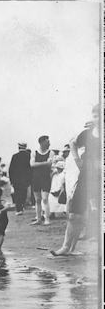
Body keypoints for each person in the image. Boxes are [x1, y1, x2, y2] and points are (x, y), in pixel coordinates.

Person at [52, 104, 100, 256]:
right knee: (74, 214)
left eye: (99, 114)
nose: (96, 118)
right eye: (94, 115)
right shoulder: (88, 133)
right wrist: (76, 159)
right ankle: (67, 247)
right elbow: (72, 143)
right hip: (86, 176)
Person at [29, 135, 52, 226]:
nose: (49, 143)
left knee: (45, 199)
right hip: (36, 178)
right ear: (42, 143)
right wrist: (44, 163)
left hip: (45, 178)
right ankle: (38, 219)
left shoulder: (51, 152)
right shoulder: (34, 152)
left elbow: (49, 164)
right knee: (37, 200)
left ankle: (47, 219)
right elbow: (32, 165)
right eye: (47, 142)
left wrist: (38, 164)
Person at [8, 142, 32, 215]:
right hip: (25, 179)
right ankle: (22, 205)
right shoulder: (29, 156)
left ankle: (19, 209)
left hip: (16, 179)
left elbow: (11, 169)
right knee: (24, 193)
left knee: (17, 194)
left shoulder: (15, 156)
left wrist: (11, 180)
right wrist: (30, 179)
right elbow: (30, 168)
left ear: (19, 148)